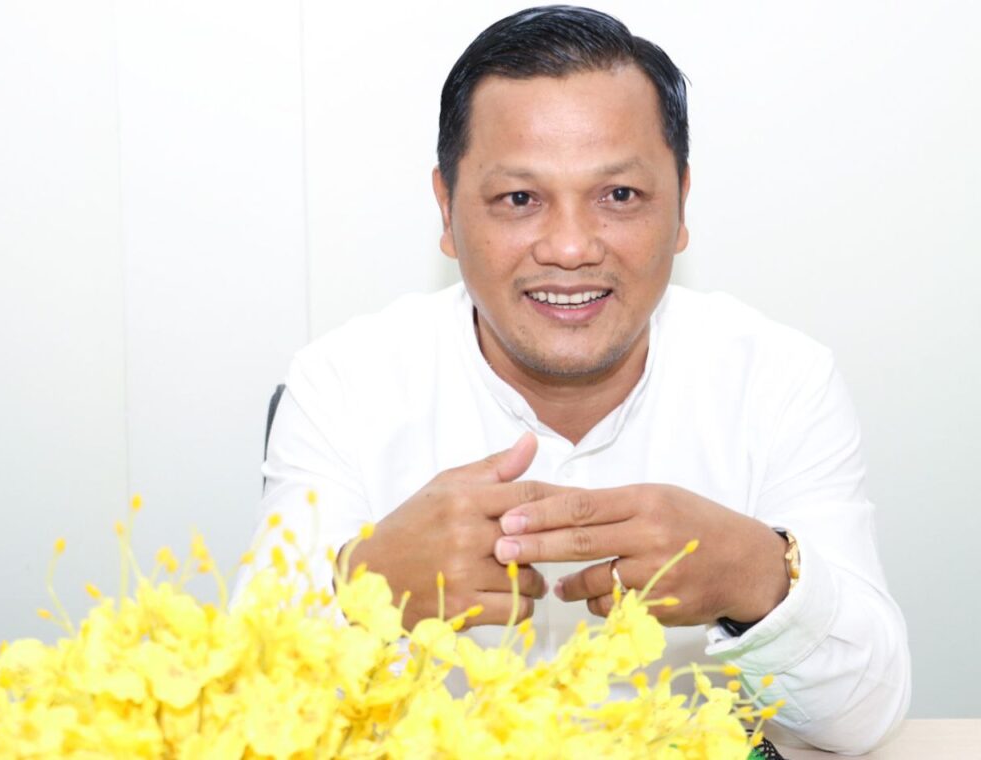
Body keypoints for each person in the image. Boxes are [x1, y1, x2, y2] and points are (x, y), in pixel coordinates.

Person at [239, 5, 910, 752]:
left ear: (681, 204)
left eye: (619, 196)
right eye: (519, 199)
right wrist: (364, 586)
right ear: (446, 211)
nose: (568, 248)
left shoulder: (781, 381)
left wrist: (758, 578)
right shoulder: (341, 384)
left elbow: (861, 721)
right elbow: (244, 712)